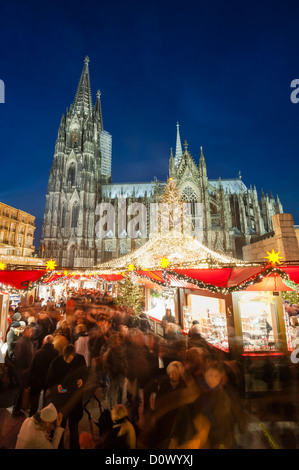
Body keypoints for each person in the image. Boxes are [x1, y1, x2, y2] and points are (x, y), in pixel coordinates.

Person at [45, 344, 89, 449]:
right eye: (65, 358)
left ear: (74, 355)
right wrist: (56, 387)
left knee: (74, 428)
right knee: (60, 427)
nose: (67, 361)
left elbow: (85, 374)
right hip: (61, 402)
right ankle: (59, 446)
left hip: (74, 401)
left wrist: (82, 381)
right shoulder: (56, 362)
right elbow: (49, 380)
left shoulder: (80, 360)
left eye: (69, 359)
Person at [28, 335, 59, 417]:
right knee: (47, 399)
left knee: (35, 399)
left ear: (44, 342)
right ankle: (44, 416)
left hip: (38, 379)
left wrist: (30, 380)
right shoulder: (56, 353)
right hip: (49, 379)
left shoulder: (38, 353)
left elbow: (32, 368)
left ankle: (32, 415)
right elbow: (56, 368)